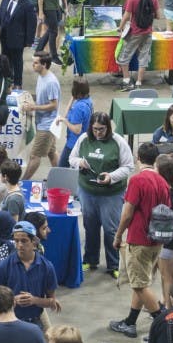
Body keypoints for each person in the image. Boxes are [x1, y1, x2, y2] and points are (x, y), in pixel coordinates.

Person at [109, 142, 170, 338]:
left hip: (139, 239)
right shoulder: (162, 181)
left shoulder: (136, 181)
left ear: (138, 158)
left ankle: (164, 321)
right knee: (141, 280)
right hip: (157, 240)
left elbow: (127, 213)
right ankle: (130, 322)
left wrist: (118, 235)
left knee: (139, 284)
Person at [69, 112, 134, 277]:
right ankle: (90, 259)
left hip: (111, 194)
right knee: (90, 227)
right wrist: (79, 163)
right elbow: (72, 158)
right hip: (87, 192)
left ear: (108, 127)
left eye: (102, 129)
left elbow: (128, 167)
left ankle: (113, 264)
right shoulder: (84, 138)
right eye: (95, 129)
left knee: (110, 229)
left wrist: (111, 177)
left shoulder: (118, 142)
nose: (98, 132)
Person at [116, 0, 161, 91]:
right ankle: (139, 82)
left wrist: (120, 27)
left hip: (135, 32)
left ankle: (127, 80)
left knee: (124, 56)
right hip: (148, 32)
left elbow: (126, 15)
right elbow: (158, 16)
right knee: (143, 57)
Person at [21, 56, 61, 180]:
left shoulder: (51, 82)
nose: (33, 65)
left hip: (47, 125)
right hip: (43, 123)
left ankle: (22, 182)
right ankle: (63, 178)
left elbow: (54, 105)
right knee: (51, 153)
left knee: (34, 156)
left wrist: (34, 107)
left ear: (44, 64)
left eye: (36, 63)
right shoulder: (41, 77)